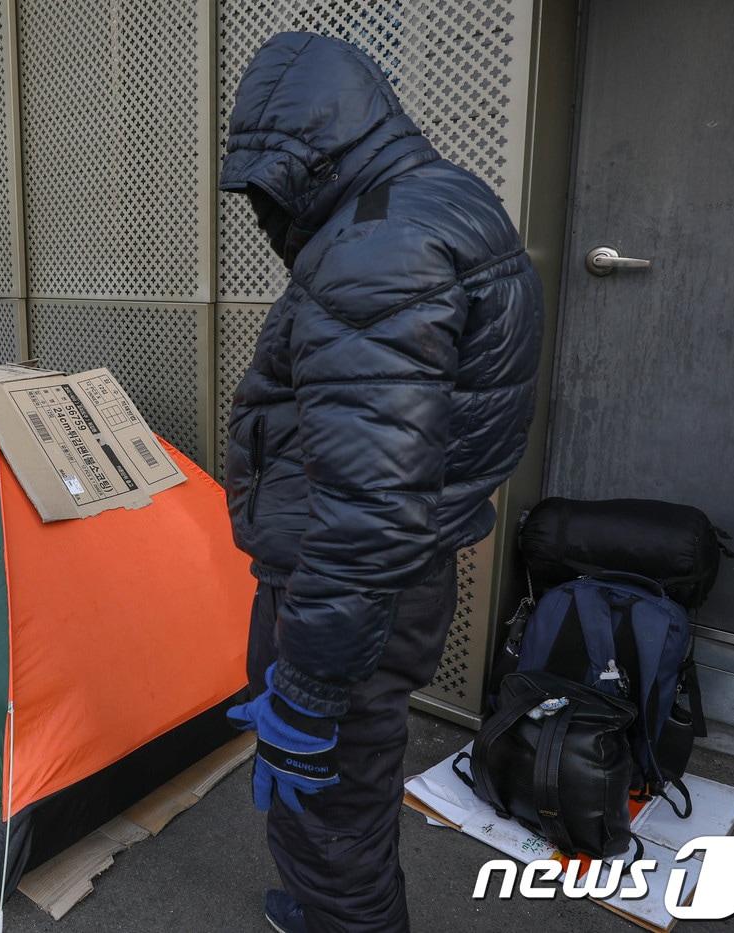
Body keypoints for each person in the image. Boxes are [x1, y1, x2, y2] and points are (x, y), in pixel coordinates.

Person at [218, 32, 542, 933]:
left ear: (306, 154)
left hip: (347, 586)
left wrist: (308, 690)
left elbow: (367, 505)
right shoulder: (440, 203)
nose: (264, 209)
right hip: (384, 576)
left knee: (330, 797)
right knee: (349, 783)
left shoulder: (375, 247)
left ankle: (344, 921)